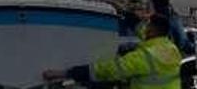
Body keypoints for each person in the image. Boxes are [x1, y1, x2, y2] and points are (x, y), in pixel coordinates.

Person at [44, 14, 181, 89]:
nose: (145, 28)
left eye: (148, 26)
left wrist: (67, 73)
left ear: (153, 30)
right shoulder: (171, 48)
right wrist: (125, 13)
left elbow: (110, 69)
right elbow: (142, 32)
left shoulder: (144, 57)